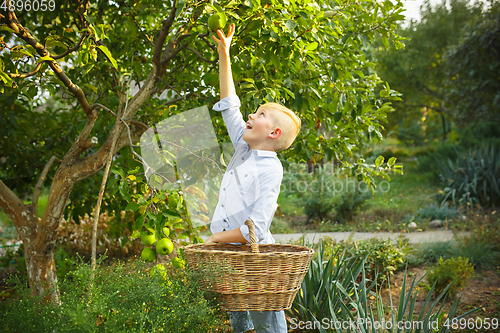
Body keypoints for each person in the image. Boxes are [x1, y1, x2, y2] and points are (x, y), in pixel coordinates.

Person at [204, 23, 301, 333]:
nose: (250, 116)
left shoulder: (270, 169)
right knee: (240, 325)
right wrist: (225, 55)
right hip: (230, 257)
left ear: (272, 133)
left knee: (268, 326)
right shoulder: (243, 147)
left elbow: (256, 229)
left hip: (257, 265)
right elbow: (230, 106)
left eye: (259, 114)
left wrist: (216, 238)